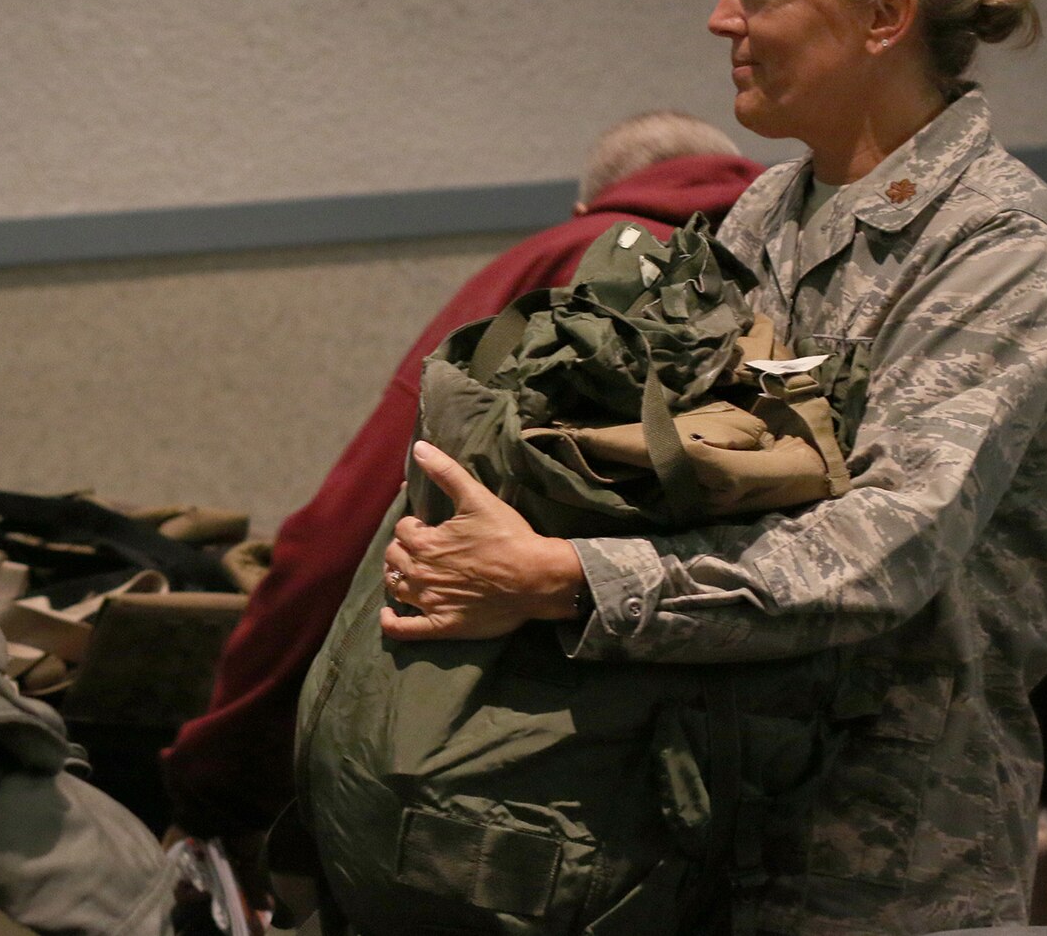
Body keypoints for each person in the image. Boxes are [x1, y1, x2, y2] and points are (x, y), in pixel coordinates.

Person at [380, 0, 1047, 932]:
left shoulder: (993, 248)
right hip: (707, 830)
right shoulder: (768, 213)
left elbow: (886, 546)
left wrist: (565, 576)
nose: (722, 16)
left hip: (887, 871)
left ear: (881, 14)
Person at [161, 111, 763, 840]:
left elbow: (354, 522)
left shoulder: (561, 259)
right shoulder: (786, 269)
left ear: (586, 204)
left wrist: (221, 771)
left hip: (532, 793)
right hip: (755, 772)